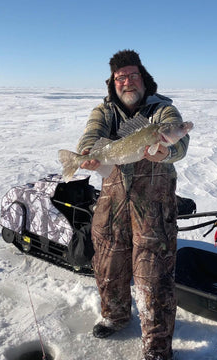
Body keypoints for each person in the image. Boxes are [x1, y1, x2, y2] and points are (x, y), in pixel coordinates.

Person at [76, 49, 189, 360]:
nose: (127, 82)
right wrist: (87, 154)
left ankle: (156, 349)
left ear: (144, 78)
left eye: (132, 76)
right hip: (111, 201)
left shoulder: (162, 110)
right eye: (120, 78)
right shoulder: (105, 112)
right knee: (108, 264)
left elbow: (179, 139)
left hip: (153, 206)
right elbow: (90, 137)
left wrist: (166, 152)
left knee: (154, 277)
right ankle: (114, 316)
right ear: (113, 83)